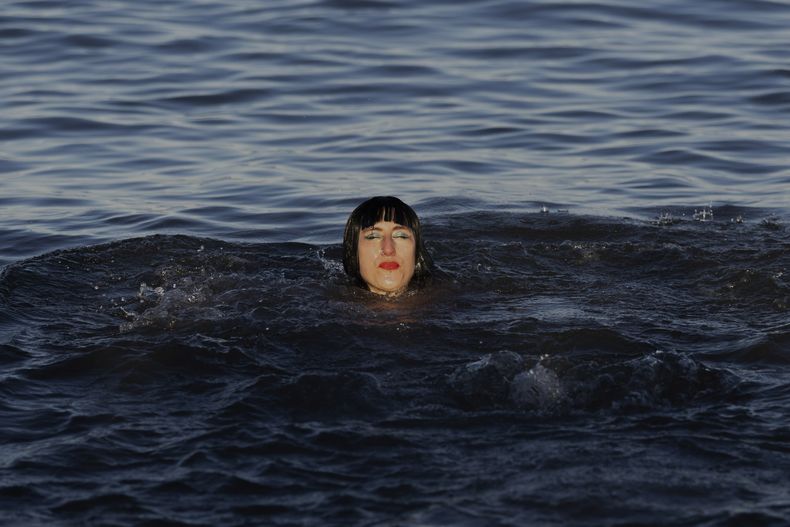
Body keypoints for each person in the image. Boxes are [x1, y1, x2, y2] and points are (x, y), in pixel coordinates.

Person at [342, 196, 432, 296]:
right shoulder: (331, 303)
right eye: (373, 236)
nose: (388, 250)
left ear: (417, 251)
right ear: (354, 252)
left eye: (401, 235)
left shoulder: (449, 298)